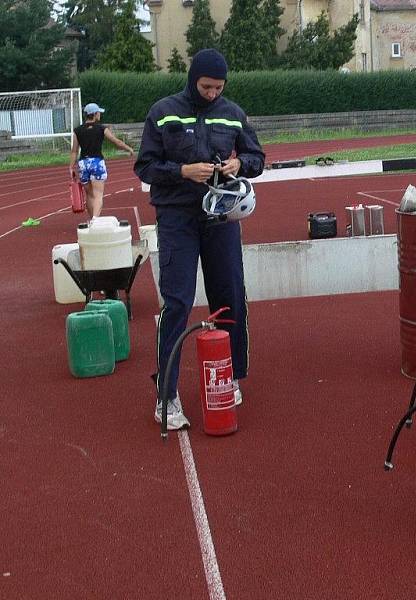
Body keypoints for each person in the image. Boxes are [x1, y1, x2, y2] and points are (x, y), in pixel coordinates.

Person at [134, 49, 265, 430]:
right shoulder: (163, 111)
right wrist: (182, 171)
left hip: (221, 215)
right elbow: (145, 166)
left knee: (229, 295)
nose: (212, 94)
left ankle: (231, 375)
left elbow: (258, 158)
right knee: (176, 301)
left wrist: (240, 164)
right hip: (177, 217)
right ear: (193, 79)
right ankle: (167, 395)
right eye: (206, 87)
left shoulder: (233, 112)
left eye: (218, 88)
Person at [70, 102, 135, 218]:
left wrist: (71, 167)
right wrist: (128, 148)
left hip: (83, 163)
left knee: (89, 195)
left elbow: (74, 150)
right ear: (94, 114)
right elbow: (116, 142)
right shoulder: (101, 128)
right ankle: (95, 220)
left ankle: (92, 220)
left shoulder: (77, 130)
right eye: (98, 112)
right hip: (96, 162)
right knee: (98, 194)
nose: (100, 114)